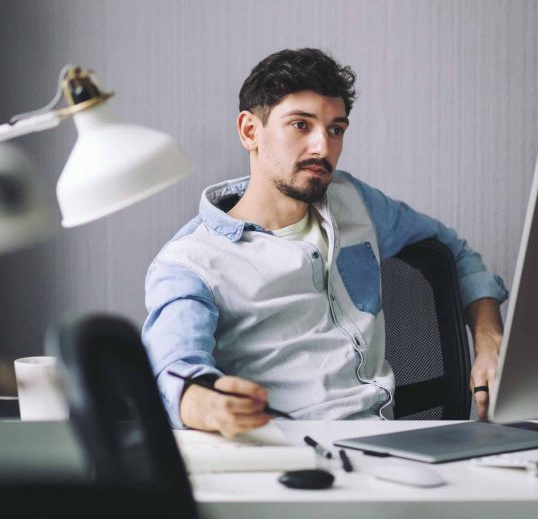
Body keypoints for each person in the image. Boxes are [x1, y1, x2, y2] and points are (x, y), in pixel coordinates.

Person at [142, 48, 508, 437]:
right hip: (287, 460)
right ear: (251, 131)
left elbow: (452, 249)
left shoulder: (354, 201)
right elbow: (173, 372)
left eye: (336, 129)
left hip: (392, 444)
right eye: (301, 125)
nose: (322, 147)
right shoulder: (190, 262)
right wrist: (205, 402)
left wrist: (489, 341)